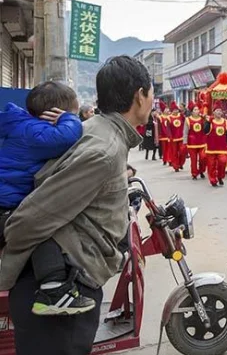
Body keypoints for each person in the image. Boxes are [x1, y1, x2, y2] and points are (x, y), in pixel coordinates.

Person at [0, 55, 152, 355]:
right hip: (58, 294)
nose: (152, 101)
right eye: (151, 93)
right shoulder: (103, 150)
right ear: (139, 95)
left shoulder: (99, 131)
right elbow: (28, 219)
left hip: (66, 283)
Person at [0, 81, 96, 316]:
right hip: (6, 206)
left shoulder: (21, 124)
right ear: (52, 114)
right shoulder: (37, 133)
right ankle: (52, 291)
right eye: (69, 113)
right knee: (42, 229)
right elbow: (67, 137)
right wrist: (68, 119)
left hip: (6, 200)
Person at [205, 102, 227, 187]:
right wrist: (208, 122)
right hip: (211, 148)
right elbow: (205, 131)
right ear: (213, 112)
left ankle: (220, 177)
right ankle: (213, 180)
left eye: (220, 111)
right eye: (217, 111)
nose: (219, 112)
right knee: (211, 165)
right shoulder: (210, 122)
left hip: (222, 148)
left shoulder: (225, 122)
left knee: (222, 162)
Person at [184, 101, 207, 180]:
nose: (197, 111)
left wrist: (205, 118)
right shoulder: (188, 120)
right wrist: (185, 142)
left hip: (202, 142)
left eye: (197, 109)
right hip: (192, 143)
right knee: (193, 160)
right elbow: (185, 132)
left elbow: (207, 127)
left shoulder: (202, 119)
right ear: (191, 111)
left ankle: (201, 171)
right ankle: (194, 173)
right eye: (195, 110)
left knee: (202, 158)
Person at [168, 101, 186, 172]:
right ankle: (176, 166)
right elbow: (168, 129)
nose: (175, 111)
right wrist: (170, 137)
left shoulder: (181, 116)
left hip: (181, 137)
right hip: (173, 139)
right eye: (174, 110)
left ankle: (181, 163)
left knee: (183, 151)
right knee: (174, 153)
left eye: (176, 109)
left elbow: (185, 124)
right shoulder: (169, 118)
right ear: (172, 111)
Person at [158, 102, 171, 166]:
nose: (167, 110)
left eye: (167, 109)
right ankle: (165, 159)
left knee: (169, 148)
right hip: (163, 135)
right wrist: (159, 135)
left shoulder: (170, 117)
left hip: (169, 135)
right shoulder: (160, 117)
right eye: (166, 109)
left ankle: (169, 160)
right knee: (164, 149)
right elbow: (159, 127)